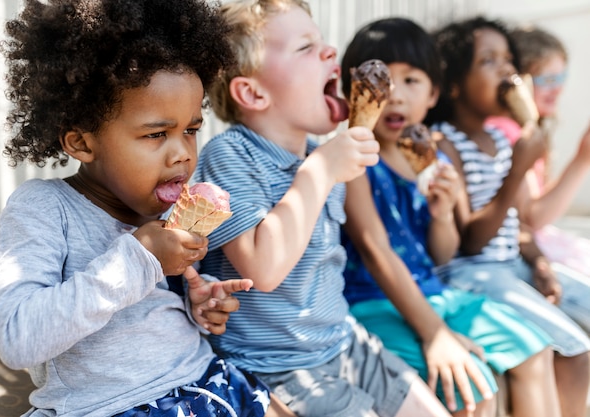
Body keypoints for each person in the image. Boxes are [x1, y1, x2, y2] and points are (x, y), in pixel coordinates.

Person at [0, 1, 295, 416]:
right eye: (156, 134)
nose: (182, 155)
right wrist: (139, 258)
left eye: (190, 130)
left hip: (206, 382)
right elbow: (17, 337)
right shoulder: (44, 208)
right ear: (81, 142)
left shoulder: (157, 210)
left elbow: (143, 316)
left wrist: (194, 304)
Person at [194, 1, 453, 416]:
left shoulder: (323, 155)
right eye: (305, 47)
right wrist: (319, 172)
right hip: (277, 368)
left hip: (346, 342)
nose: (330, 50)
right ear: (253, 92)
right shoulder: (229, 155)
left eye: (322, 41)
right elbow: (262, 269)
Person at [340, 17, 560, 417]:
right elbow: (375, 251)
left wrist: (441, 216)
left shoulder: (434, 161)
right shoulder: (353, 157)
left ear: (433, 93)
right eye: (382, 81)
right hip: (373, 301)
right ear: (355, 92)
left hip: (435, 293)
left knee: (537, 352)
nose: (396, 96)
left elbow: (443, 255)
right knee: (469, 388)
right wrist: (436, 334)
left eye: (411, 81)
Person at [425, 16, 590, 417]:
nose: (507, 70)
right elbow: (471, 241)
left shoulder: (502, 139)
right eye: (489, 60)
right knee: (575, 348)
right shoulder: (444, 142)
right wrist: (518, 169)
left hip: (510, 263)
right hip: (471, 271)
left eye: (509, 61)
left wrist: (539, 262)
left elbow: (518, 224)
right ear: (453, 84)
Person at [487, 26, 590, 333]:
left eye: (561, 77)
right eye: (546, 79)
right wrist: (583, 159)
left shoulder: (528, 127)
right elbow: (533, 217)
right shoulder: (509, 131)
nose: (556, 88)